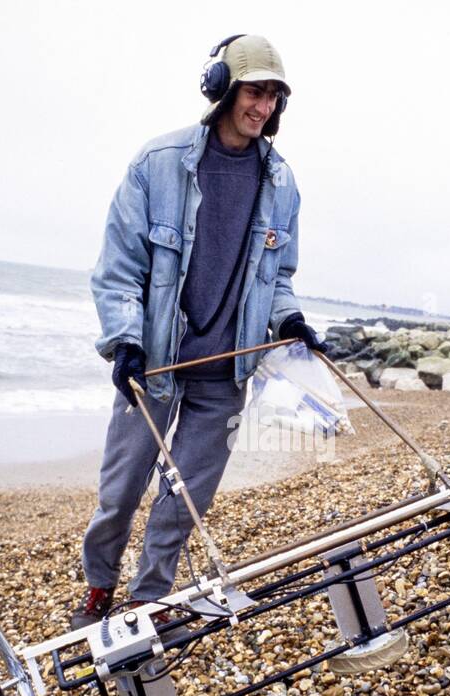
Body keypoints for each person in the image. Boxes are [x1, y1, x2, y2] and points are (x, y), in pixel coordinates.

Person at [72, 34, 326, 631]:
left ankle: (148, 600)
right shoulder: (156, 165)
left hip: (225, 369)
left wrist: (288, 320)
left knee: (184, 497)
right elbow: (117, 270)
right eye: (253, 91)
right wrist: (125, 340)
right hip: (154, 366)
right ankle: (99, 587)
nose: (262, 107)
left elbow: (279, 275)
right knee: (120, 492)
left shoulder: (282, 183)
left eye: (273, 96)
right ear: (221, 87)